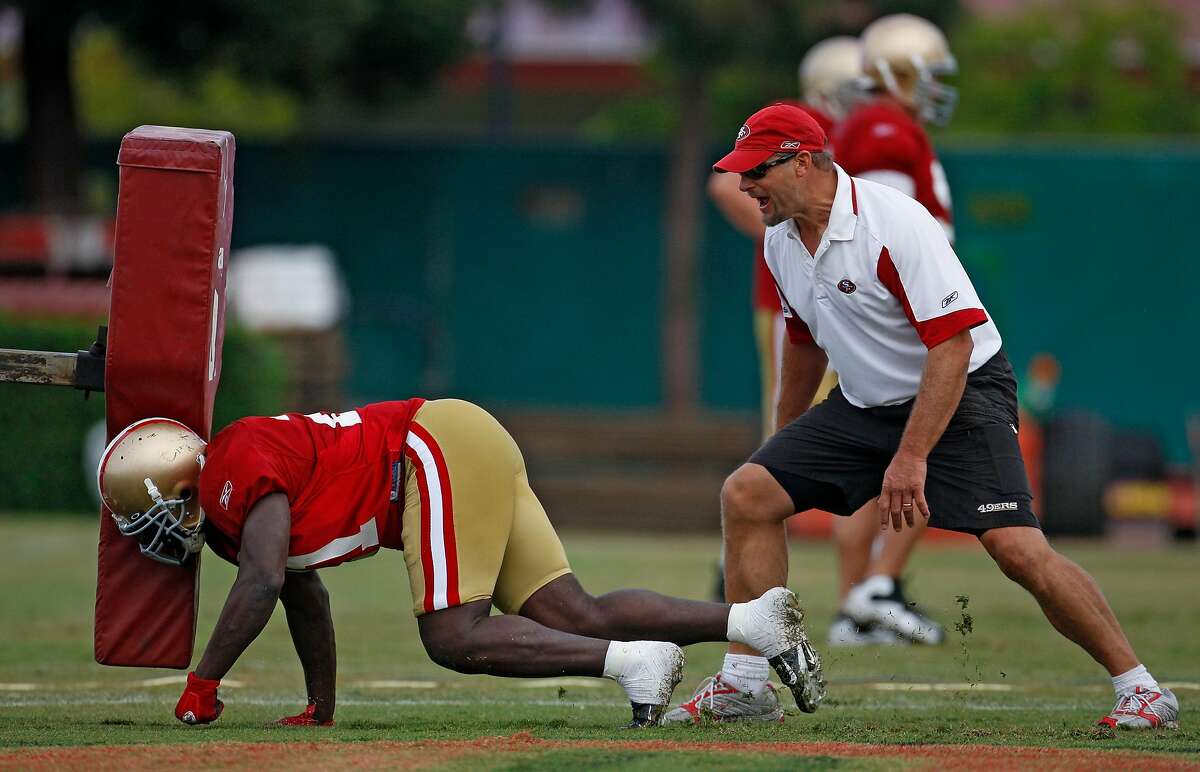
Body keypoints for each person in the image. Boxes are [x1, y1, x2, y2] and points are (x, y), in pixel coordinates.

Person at [672, 101, 1179, 731]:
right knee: (748, 494)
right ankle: (746, 684)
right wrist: (781, 443)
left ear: (802, 164)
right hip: (865, 402)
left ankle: (1142, 690)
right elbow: (802, 343)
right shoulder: (779, 241)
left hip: (961, 388)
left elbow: (953, 345)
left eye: (756, 171)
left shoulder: (894, 223)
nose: (744, 186)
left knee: (1019, 551)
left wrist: (911, 458)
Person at [96, 400, 825, 728]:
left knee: (453, 636)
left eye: (148, 513)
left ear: (180, 483)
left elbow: (261, 582)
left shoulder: (231, 471)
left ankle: (637, 665)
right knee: (576, 614)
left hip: (428, 450)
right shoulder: (237, 498)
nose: (152, 535)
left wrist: (202, 682)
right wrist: (323, 707)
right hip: (455, 440)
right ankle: (751, 619)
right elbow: (300, 592)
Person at [822, 13, 964, 647]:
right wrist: (917, 323)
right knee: (921, 452)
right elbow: (887, 236)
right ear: (896, 72)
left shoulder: (878, 126)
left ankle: (860, 603)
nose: (932, 88)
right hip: (902, 330)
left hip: (880, 327)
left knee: (875, 465)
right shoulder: (884, 128)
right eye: (924, 74)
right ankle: (876, 588)